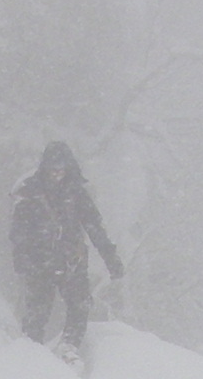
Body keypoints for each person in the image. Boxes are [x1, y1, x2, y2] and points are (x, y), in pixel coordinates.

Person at [9, 142, 123, 357]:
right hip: (40, 262)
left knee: (79, 306)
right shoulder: (31, 194)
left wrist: (111, 258)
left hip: (71, 261)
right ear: (45, 167)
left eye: (61, 168)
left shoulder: (74, 192)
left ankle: (68, 347)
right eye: (53, 168)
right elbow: (19, 232)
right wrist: (22, 261)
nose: (57, 173)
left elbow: (94, 226)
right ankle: (30, 353)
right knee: (38, 312)